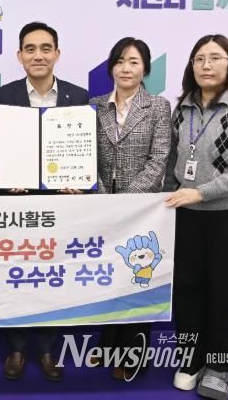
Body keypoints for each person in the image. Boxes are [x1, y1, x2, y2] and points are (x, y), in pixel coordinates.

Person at [164, 35, 228, 400]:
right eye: (199, 58)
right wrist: (172, 195)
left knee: (223, 294)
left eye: (215, 57)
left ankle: (220, 366)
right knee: (188, 292)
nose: (206, 65)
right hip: (187, 217)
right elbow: (173, 160)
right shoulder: (183, 108)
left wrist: (201, 192)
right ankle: (190, 359)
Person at [0, 21, 88, 382]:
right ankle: (16, 348)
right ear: (19, 56)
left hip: (61, 205)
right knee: (17, 276)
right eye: (30, 49)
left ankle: (48, 349)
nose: (38, 55)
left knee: (53, 276)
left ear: (57, 54)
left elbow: (83, 150)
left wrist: (78, 181)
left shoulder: (78, 96)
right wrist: (7, 178)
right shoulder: (4, 95)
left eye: (46, 48)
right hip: (18, 205)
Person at [89, 37, 171, 381]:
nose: (126, 68)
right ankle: (108, 344)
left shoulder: (159, 107)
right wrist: (105, 197)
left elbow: (159, 160)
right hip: (102, 208)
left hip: (143, 211)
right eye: (120, 61)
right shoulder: (94, 106)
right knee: (109, 279)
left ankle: (134, 354)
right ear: (111, 67)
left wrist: (127, 201)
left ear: (145, 69)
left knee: (139, 281)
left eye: (134, 62)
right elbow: (85, 157)